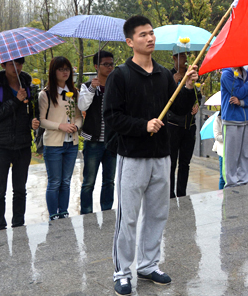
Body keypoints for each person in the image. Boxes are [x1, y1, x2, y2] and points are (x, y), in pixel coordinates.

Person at [103, 15, 198, 295]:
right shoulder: (120, 76)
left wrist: (189, 86)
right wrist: (142, 126)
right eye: (143, 34)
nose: (150, 38)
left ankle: (148, 265)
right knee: (128, 217)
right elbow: (112, 117)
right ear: (130, 42)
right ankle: (122, 271)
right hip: (132, 157)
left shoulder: (164, 74)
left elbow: (179, 108)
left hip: (161, 155)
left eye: (152, 33)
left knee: (157, 214)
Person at [0, 57, 40, 231]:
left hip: (23, 144)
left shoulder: (29, 87)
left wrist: (33, 121)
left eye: (19, 63)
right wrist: (16, 99)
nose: (16, 67)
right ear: (3, 65)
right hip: (0, 145)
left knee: (20, 189)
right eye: (11, 64)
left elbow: (32, 111)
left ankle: (18, 225)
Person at [38, 56, 83, 220]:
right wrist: (60, 126)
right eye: (61, 69)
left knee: (66, 181)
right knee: (55, 182)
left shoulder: (74, 92)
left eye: (67, 69)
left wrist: (76, 126)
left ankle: (63, 212)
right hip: (53, 144)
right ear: (53, 71)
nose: (65, 72)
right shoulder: (45, 94)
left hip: (72, 144)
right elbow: (42, 120)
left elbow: (78, 116)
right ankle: (53, 214)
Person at [78, 50, 116, 214]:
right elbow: (82, 106)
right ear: (96, 66)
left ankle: (107, 212)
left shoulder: (116, 86)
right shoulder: (87, 86)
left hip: (112, 141)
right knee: (88, 181)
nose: (109, 67)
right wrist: (93, 89)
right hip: (93, 141)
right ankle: (86, 213)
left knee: (109, 181)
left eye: (111, 64)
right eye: (105, 64)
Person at [168, 48, 202, 197]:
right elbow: (167, 100)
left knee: (185, 163)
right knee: (171, 163)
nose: (185, 59)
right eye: (181, 56)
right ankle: (169, 194)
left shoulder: (193, 76)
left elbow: (198, 95)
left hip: (189, 125)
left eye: (186, 55)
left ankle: (182, 192)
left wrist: (197, 104)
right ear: (174, 58)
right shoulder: (169, 77)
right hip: (173, 126)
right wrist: (174, 83)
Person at [220, 66, 248, 188]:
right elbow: (237, 92)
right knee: (231, 155)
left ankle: (244, 182)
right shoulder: (227, 74)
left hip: (246, 119)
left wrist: (241, 102)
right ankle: (231, 184)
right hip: (231, 119)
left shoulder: (247, 74)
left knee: (247, 153)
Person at [211, 114, 225, 189]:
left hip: (233, 150)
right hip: (222, 151)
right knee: (223, 176)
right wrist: (229, 136)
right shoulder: (218, 119)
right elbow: (217, 136)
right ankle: (221, 196)